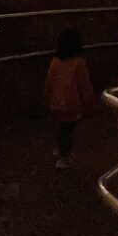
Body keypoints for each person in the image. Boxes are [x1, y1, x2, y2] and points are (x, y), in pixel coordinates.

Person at [45, 27, 95, 169]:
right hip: (72, 105)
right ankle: (63, 157)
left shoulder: (55, 61)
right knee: (67, 131)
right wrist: (90, 103)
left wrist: (48, 97)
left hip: (55, 102)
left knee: (60, 128)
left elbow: (48, 82)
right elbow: (85, 86)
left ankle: (59, 149)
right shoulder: (79, 64)